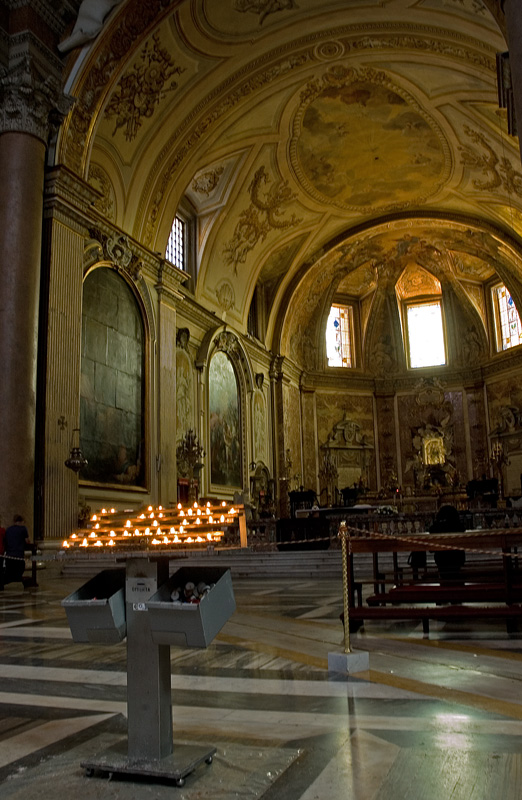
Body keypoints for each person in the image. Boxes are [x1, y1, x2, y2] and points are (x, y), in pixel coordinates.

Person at [429, 505, 466, 583]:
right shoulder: (458, 527)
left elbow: (431, 549)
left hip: (441, 559)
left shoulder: (436, 528)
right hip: (457, 558)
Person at [4, 515, 31, 587]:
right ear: (21, 521)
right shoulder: (23, 529)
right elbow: (27, 541)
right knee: (18, 573)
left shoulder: (8, 529)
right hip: (18, 555)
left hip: (9, 555)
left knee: (9, 574)